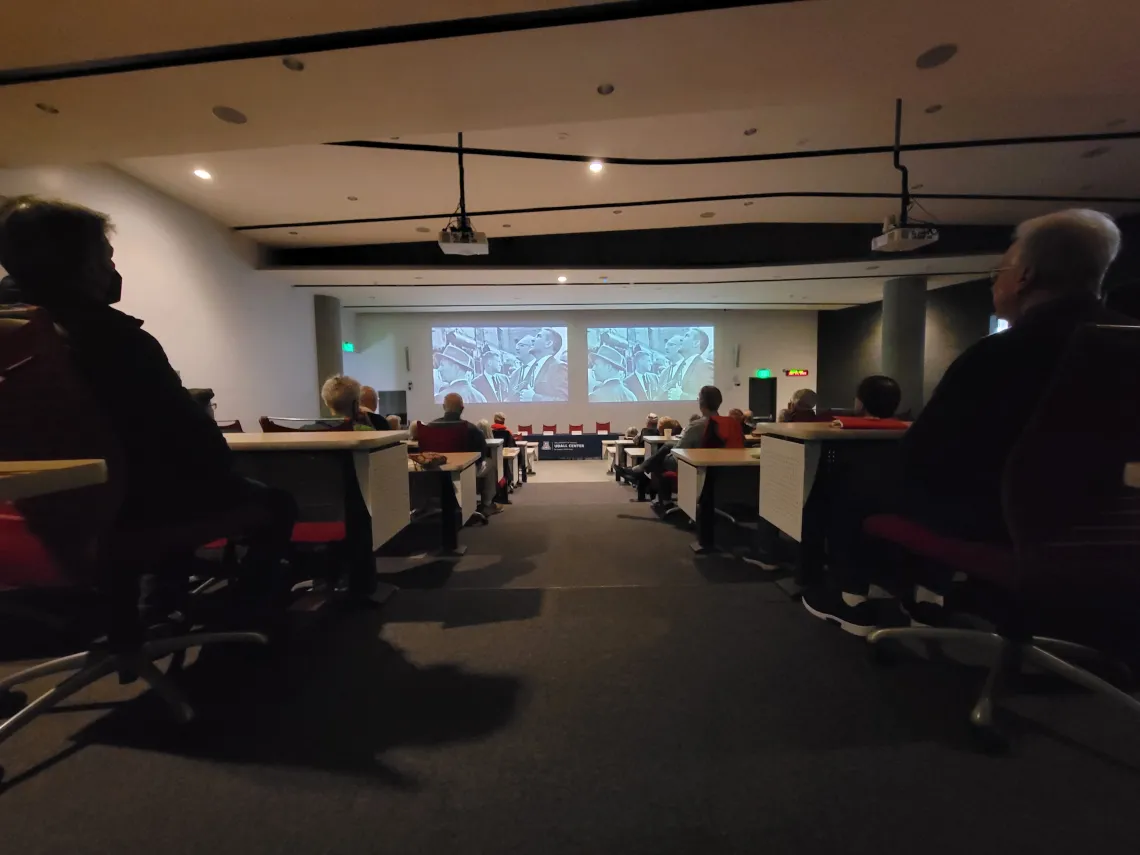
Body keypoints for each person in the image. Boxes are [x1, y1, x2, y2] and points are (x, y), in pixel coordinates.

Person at [802, 208, 1134, 635]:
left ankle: (850, 598)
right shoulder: (1129, 344)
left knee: (850, 478)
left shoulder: (999, 354)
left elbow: (921, 457)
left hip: (996, 522)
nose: (996, 281)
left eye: (1000, 270)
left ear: (1025, 276)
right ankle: (929, 596)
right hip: (1104, 523)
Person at [0, 195, 296, 595]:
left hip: (33, 511)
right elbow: (202, 451)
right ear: (84, 264)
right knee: (275, 503)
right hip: (130, 509)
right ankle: (249, 617)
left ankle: (158, 601)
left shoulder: (17, 338)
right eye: (106, 258)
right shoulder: (115, 341)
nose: (112, 269)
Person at [427, 393, 499, 515]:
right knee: (491, 463)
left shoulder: (430, 427)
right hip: (466, 470)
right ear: (462, 409)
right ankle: (487, 504)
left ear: (444, 407)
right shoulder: (471, 429)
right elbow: (482, 453)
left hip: (435, 471)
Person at [520, 328, 567, 402]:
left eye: (538, 336)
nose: (532, 339)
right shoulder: (532, 368)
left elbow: (564, 401)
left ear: (548, 343)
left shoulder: (559, 367)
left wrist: (534, 398)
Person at [667, 328, 714, 400]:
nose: (681, 339)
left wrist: (682, 396)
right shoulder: (680, 367)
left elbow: (708, 399)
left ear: (696, 343)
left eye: (687, 336)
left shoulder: (706, 366)